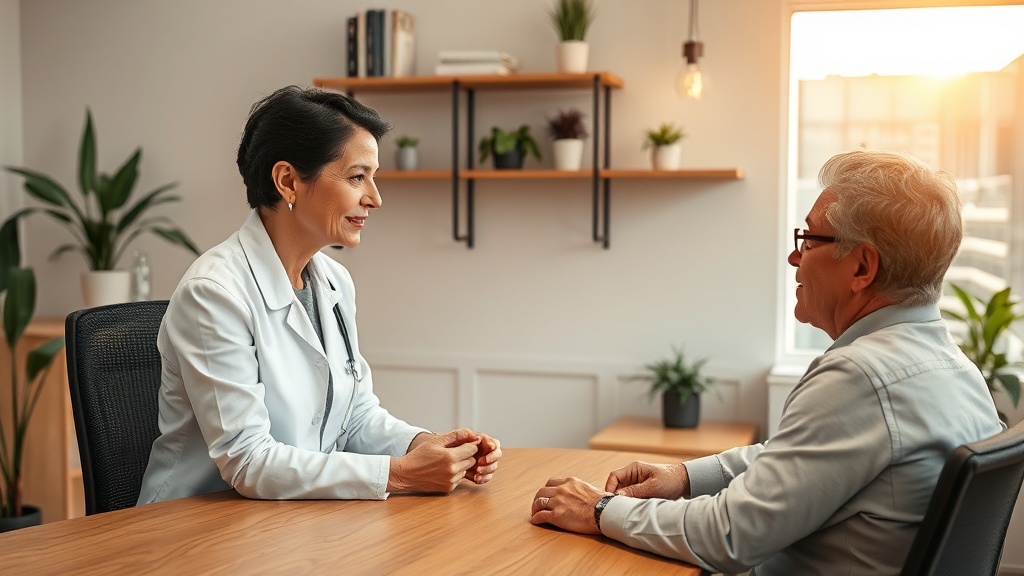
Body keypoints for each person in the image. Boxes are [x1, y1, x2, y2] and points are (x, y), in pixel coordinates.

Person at [529, 150, 1004, 574]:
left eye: (810, 239)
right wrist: (685, 476)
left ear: (862, 267)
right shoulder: (954, 370)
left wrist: (599, 509)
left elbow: (730, 536)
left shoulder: (863, 377)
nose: (796, 257)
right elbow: (800, 457)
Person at [138, 85, 501, 504]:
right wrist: (400, 475)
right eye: (357, 177)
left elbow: (354, 417)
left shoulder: (334, 282)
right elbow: (247, 461)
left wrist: (423, 446)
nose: (375, 198)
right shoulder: (214, 293)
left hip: (287, 522)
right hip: (193, 529)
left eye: (373, 177)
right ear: (288, 181)